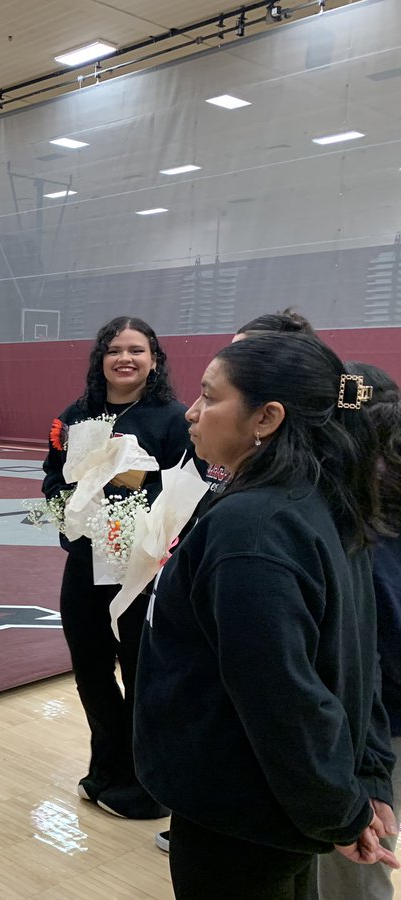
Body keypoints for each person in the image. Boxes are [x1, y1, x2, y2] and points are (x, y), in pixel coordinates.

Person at [135, 333, 399, 899]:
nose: (193, 411)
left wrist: (343, 807)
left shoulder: (254, 529)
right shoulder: (321, 501)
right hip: (272, 812)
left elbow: (285, 697)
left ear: (267, 417)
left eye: (210, 397)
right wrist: (365, 781)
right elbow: (353, 660)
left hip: (239, 814)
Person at [41, 316, 189, 816]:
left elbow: (185, 495)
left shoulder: (173, 419)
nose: (125, 358)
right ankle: (107, 766)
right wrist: (74, 509)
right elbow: (52, 481)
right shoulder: (76, 416)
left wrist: (136, 501)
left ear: (154, 360)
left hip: (142, 574)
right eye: (114, 349)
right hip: (85, 568)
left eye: (137, 350)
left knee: (142, 673)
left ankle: (149, 785)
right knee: (90, 670)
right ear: (100, 358)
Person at [317, 361, 401, 900]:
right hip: (368, 723)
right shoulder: (339, 512)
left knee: (360, 864)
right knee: (360, 862)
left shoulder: (349, 519)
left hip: (374, 723)